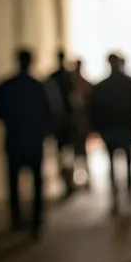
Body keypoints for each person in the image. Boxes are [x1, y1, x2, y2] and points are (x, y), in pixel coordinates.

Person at [0, 49, 58, 239]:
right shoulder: (39, 87)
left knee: (13, 181)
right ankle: (36, 221)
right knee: (37, 180)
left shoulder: (7, 86)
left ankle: (17, 218)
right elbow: (51, 113)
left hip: (15, 139)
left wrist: (11, 119)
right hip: (34, 141)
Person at [88, 53, 131, 214]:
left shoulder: (101, 86)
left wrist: (96, 127)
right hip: (125, 128)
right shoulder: (129, 84)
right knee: (127, 162)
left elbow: (93, 110)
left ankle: (115, 197)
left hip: (108, 129)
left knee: (111, 163)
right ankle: (129, 194)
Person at [46, 50, 78, 197]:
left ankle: (67, 180)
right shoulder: (67, 77)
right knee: (67, 153)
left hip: (60, 122)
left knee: (64, 153)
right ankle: (68, 180)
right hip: (66, 121)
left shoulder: (54, 78)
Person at [69, 60, 93, 189]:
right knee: (78, 152)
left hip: (79, 124)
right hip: (77, 124)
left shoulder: (82, 84)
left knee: (80, 151)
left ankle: (83, 177)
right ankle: (81, 177)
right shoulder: (80, 84)